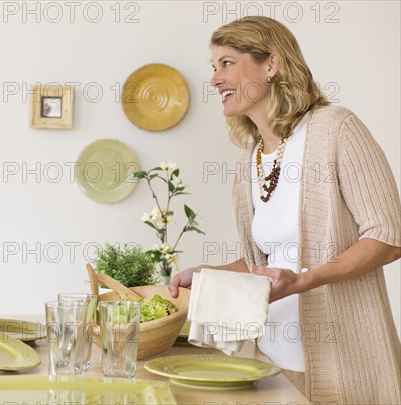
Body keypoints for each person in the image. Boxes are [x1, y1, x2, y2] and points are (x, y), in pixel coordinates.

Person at [169, 16, 401, 404]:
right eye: (213, 67)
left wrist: (305, 280)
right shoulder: (249, 162)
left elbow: (388, 238)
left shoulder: (336, 129)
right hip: (271, 359)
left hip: (343, 361)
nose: (214, 79)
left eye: (227, 63)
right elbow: (266, 263)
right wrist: (206, 272)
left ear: (271, 64)